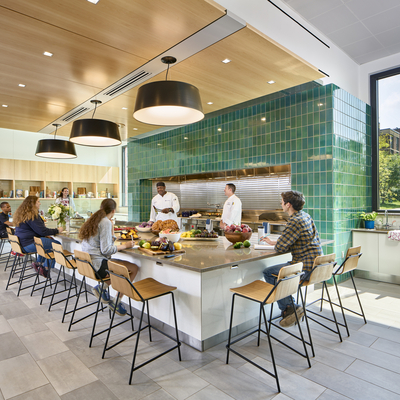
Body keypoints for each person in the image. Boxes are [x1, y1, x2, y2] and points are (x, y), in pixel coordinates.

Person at [261, 190, 322, 328]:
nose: (280, 203)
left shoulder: (294, 221)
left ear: (288, 205)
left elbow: (281, 247)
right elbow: (291, 241)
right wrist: (275, 242)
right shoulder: (305, 216)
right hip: (317, 266)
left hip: (304, 268)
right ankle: (290, 307)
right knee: (281, 271)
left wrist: (277, 244)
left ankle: (289, 308)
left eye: (282, 201)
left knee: (268, 272)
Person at [79, 198, 139, 316]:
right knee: (133, 269)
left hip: (89, 264)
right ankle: (116, 302)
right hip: (98, 266)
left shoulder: (95, 220)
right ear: (113, 210)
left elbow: (105, 247)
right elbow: (106, 250)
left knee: (121, 270)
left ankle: (102, 288)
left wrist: (112, 231)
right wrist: (125, 246)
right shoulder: (105, 222)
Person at [14, 196, 63, 275]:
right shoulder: (33, 215)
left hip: (22, 244)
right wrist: (57, 230)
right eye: (38, 201)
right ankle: (45, 268)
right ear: (33, 204)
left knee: (48, 244)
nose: (40, 203)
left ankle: (39, 264)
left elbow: (34, 230)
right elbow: (42, 231)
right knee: (56, 244)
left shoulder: (23, 214)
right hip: (28, 244)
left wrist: (45, 235)